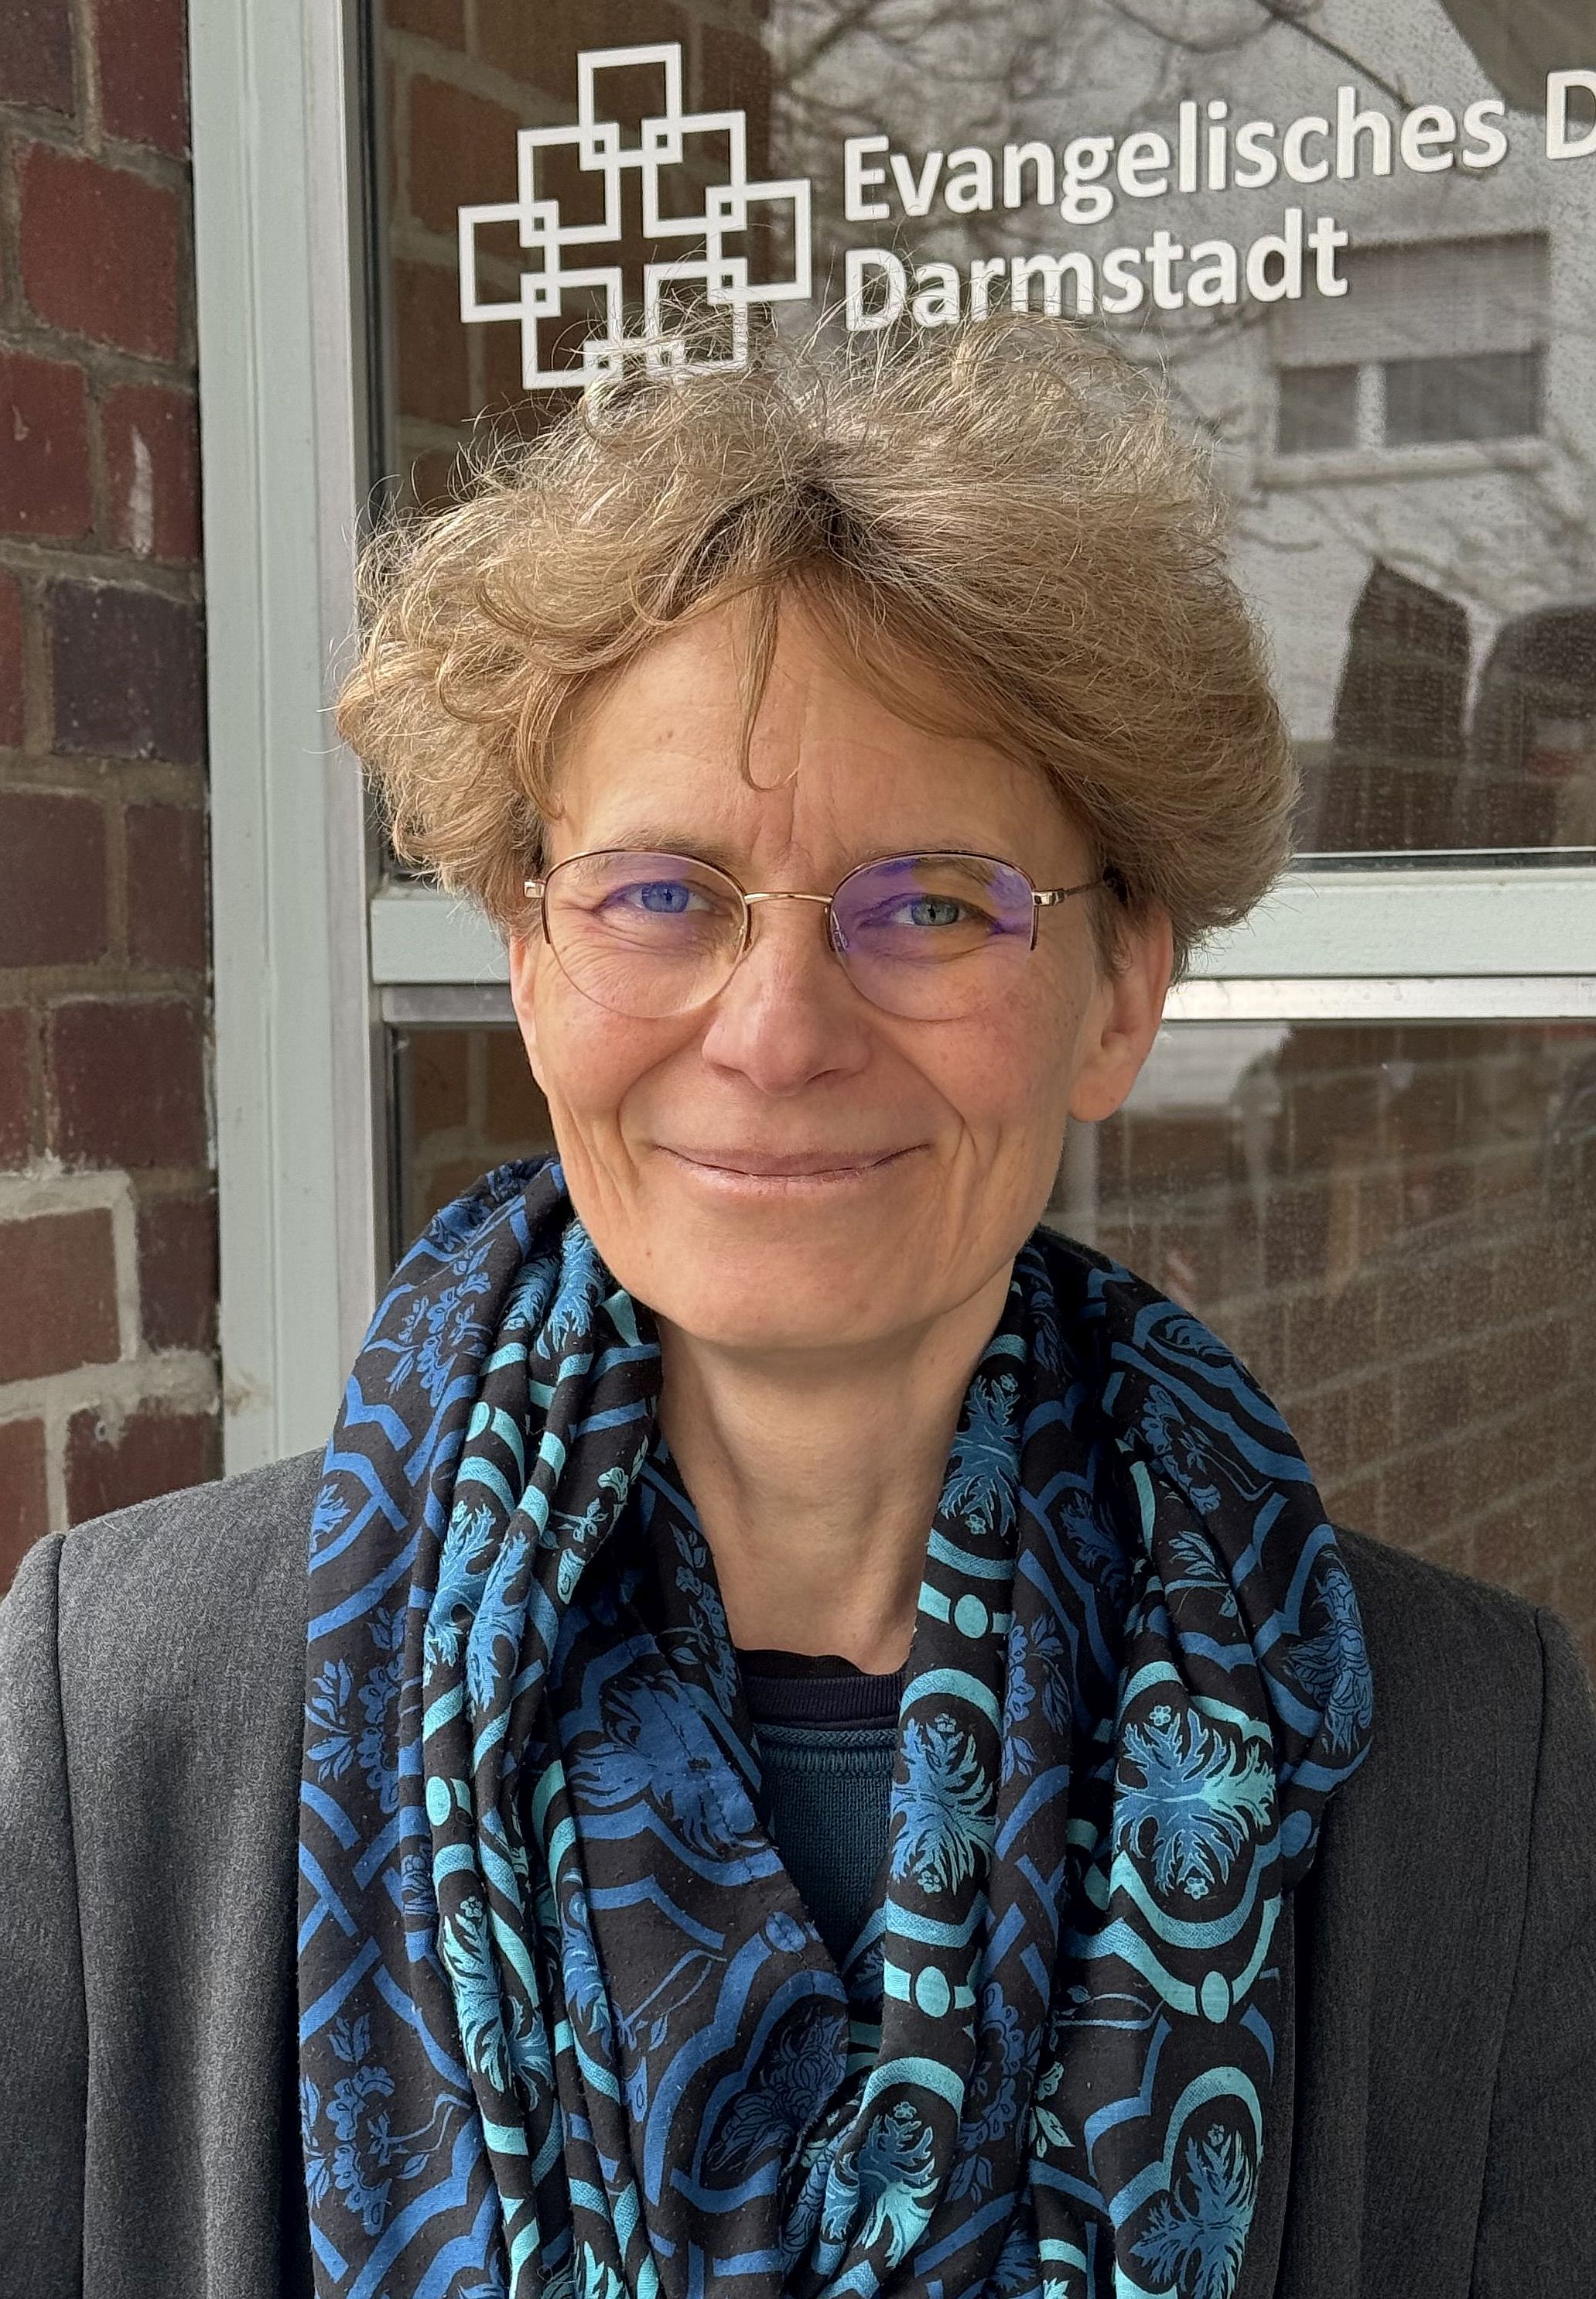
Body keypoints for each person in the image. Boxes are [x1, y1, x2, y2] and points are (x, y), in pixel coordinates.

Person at [2, 315, 1591, 2299]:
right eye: (660, 893)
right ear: (528, 960)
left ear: (1121, 988)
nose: (774, 1031)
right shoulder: (127, 1710)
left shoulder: (1471, 1763)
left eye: (929, 903)